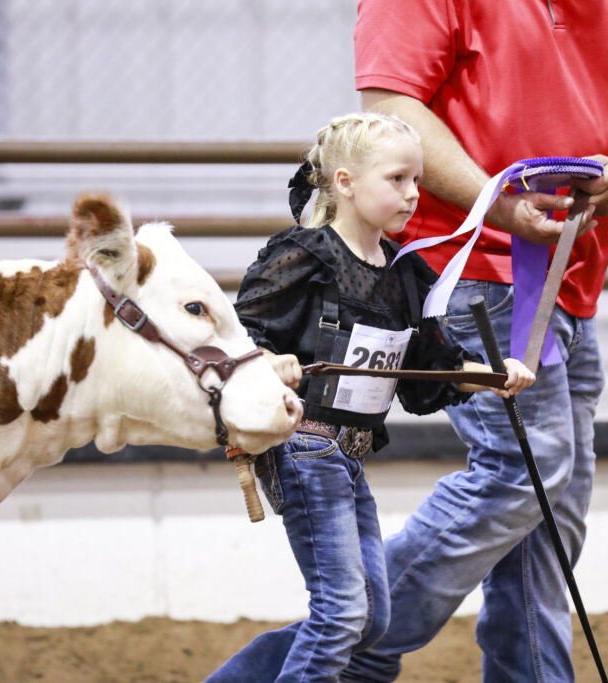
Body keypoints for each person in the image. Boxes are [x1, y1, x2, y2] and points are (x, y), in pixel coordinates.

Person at [341, 2, 608, 681]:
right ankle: (346, 636)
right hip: (472, 265)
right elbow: (390, 106)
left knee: (549, 507)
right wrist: (493, 201)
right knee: (530, 468)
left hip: (566, 273)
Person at [204, 112, 536, 682]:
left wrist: (493, 372)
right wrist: (267, 361)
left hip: (349, 457)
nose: (411, 195)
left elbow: (431, 366)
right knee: (340, 616)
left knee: (370, 620)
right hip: (305, 448)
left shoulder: (406, 273)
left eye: (416, 181)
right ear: (345, 182)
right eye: (397, 179)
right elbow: (240, 337)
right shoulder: (304, 254)